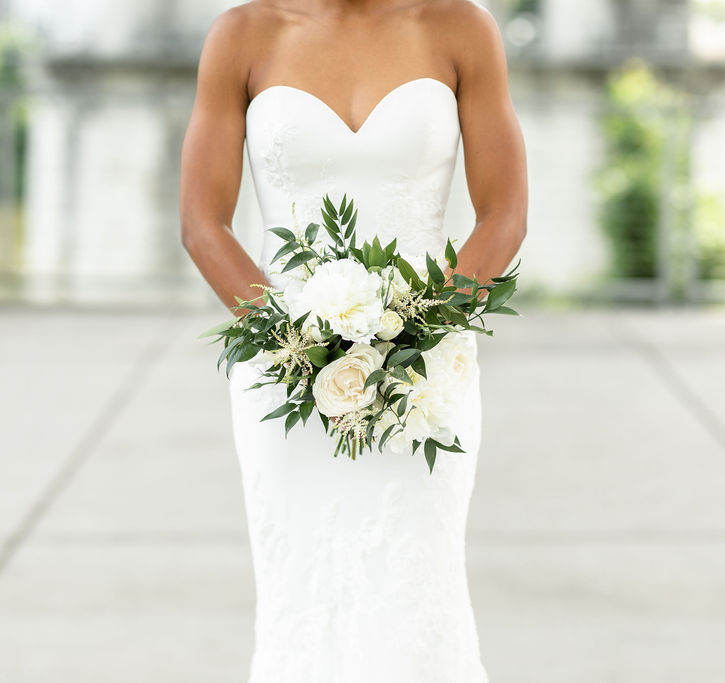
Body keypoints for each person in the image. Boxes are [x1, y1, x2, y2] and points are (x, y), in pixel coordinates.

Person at [178, 1, 527, 681]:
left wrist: (416, 333)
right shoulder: (244, 34)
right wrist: (296, 347)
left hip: (425, 374)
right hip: (284, 374)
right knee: (301, 590)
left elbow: (505, 212)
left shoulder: (459, 26)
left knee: (416, 583)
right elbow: (202, 223)